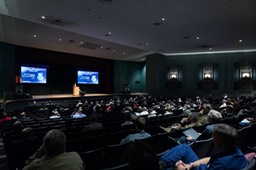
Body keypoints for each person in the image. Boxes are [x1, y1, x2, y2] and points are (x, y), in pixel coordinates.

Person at [159, 123, 248, 170]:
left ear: (219, 142)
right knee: (184, 148)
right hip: (200, 167)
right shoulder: (236, 151)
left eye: (214, 137)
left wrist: (181, 168)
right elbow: (210, 159)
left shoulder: (221, 164)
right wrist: (191, 164)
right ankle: (161, 164)